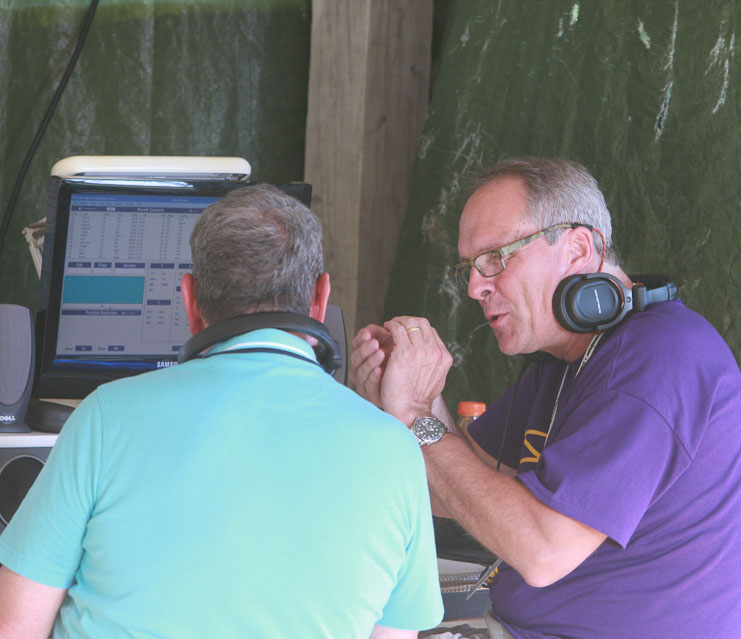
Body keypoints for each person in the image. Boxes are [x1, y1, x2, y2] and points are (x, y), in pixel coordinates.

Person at [350, 158, 741, 638]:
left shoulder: (658, 358)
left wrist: (415, 416)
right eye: (468, 267)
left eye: (495, 257)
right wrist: (408, 401)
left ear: (577, 249)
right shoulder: (569, 359)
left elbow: (541, 552)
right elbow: (461, 491)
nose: (474, 287)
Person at [0, 184, 443, 639]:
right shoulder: (397, 450)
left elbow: (13, 627)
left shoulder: (102, 418)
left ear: (189, 301)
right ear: (320, 299)